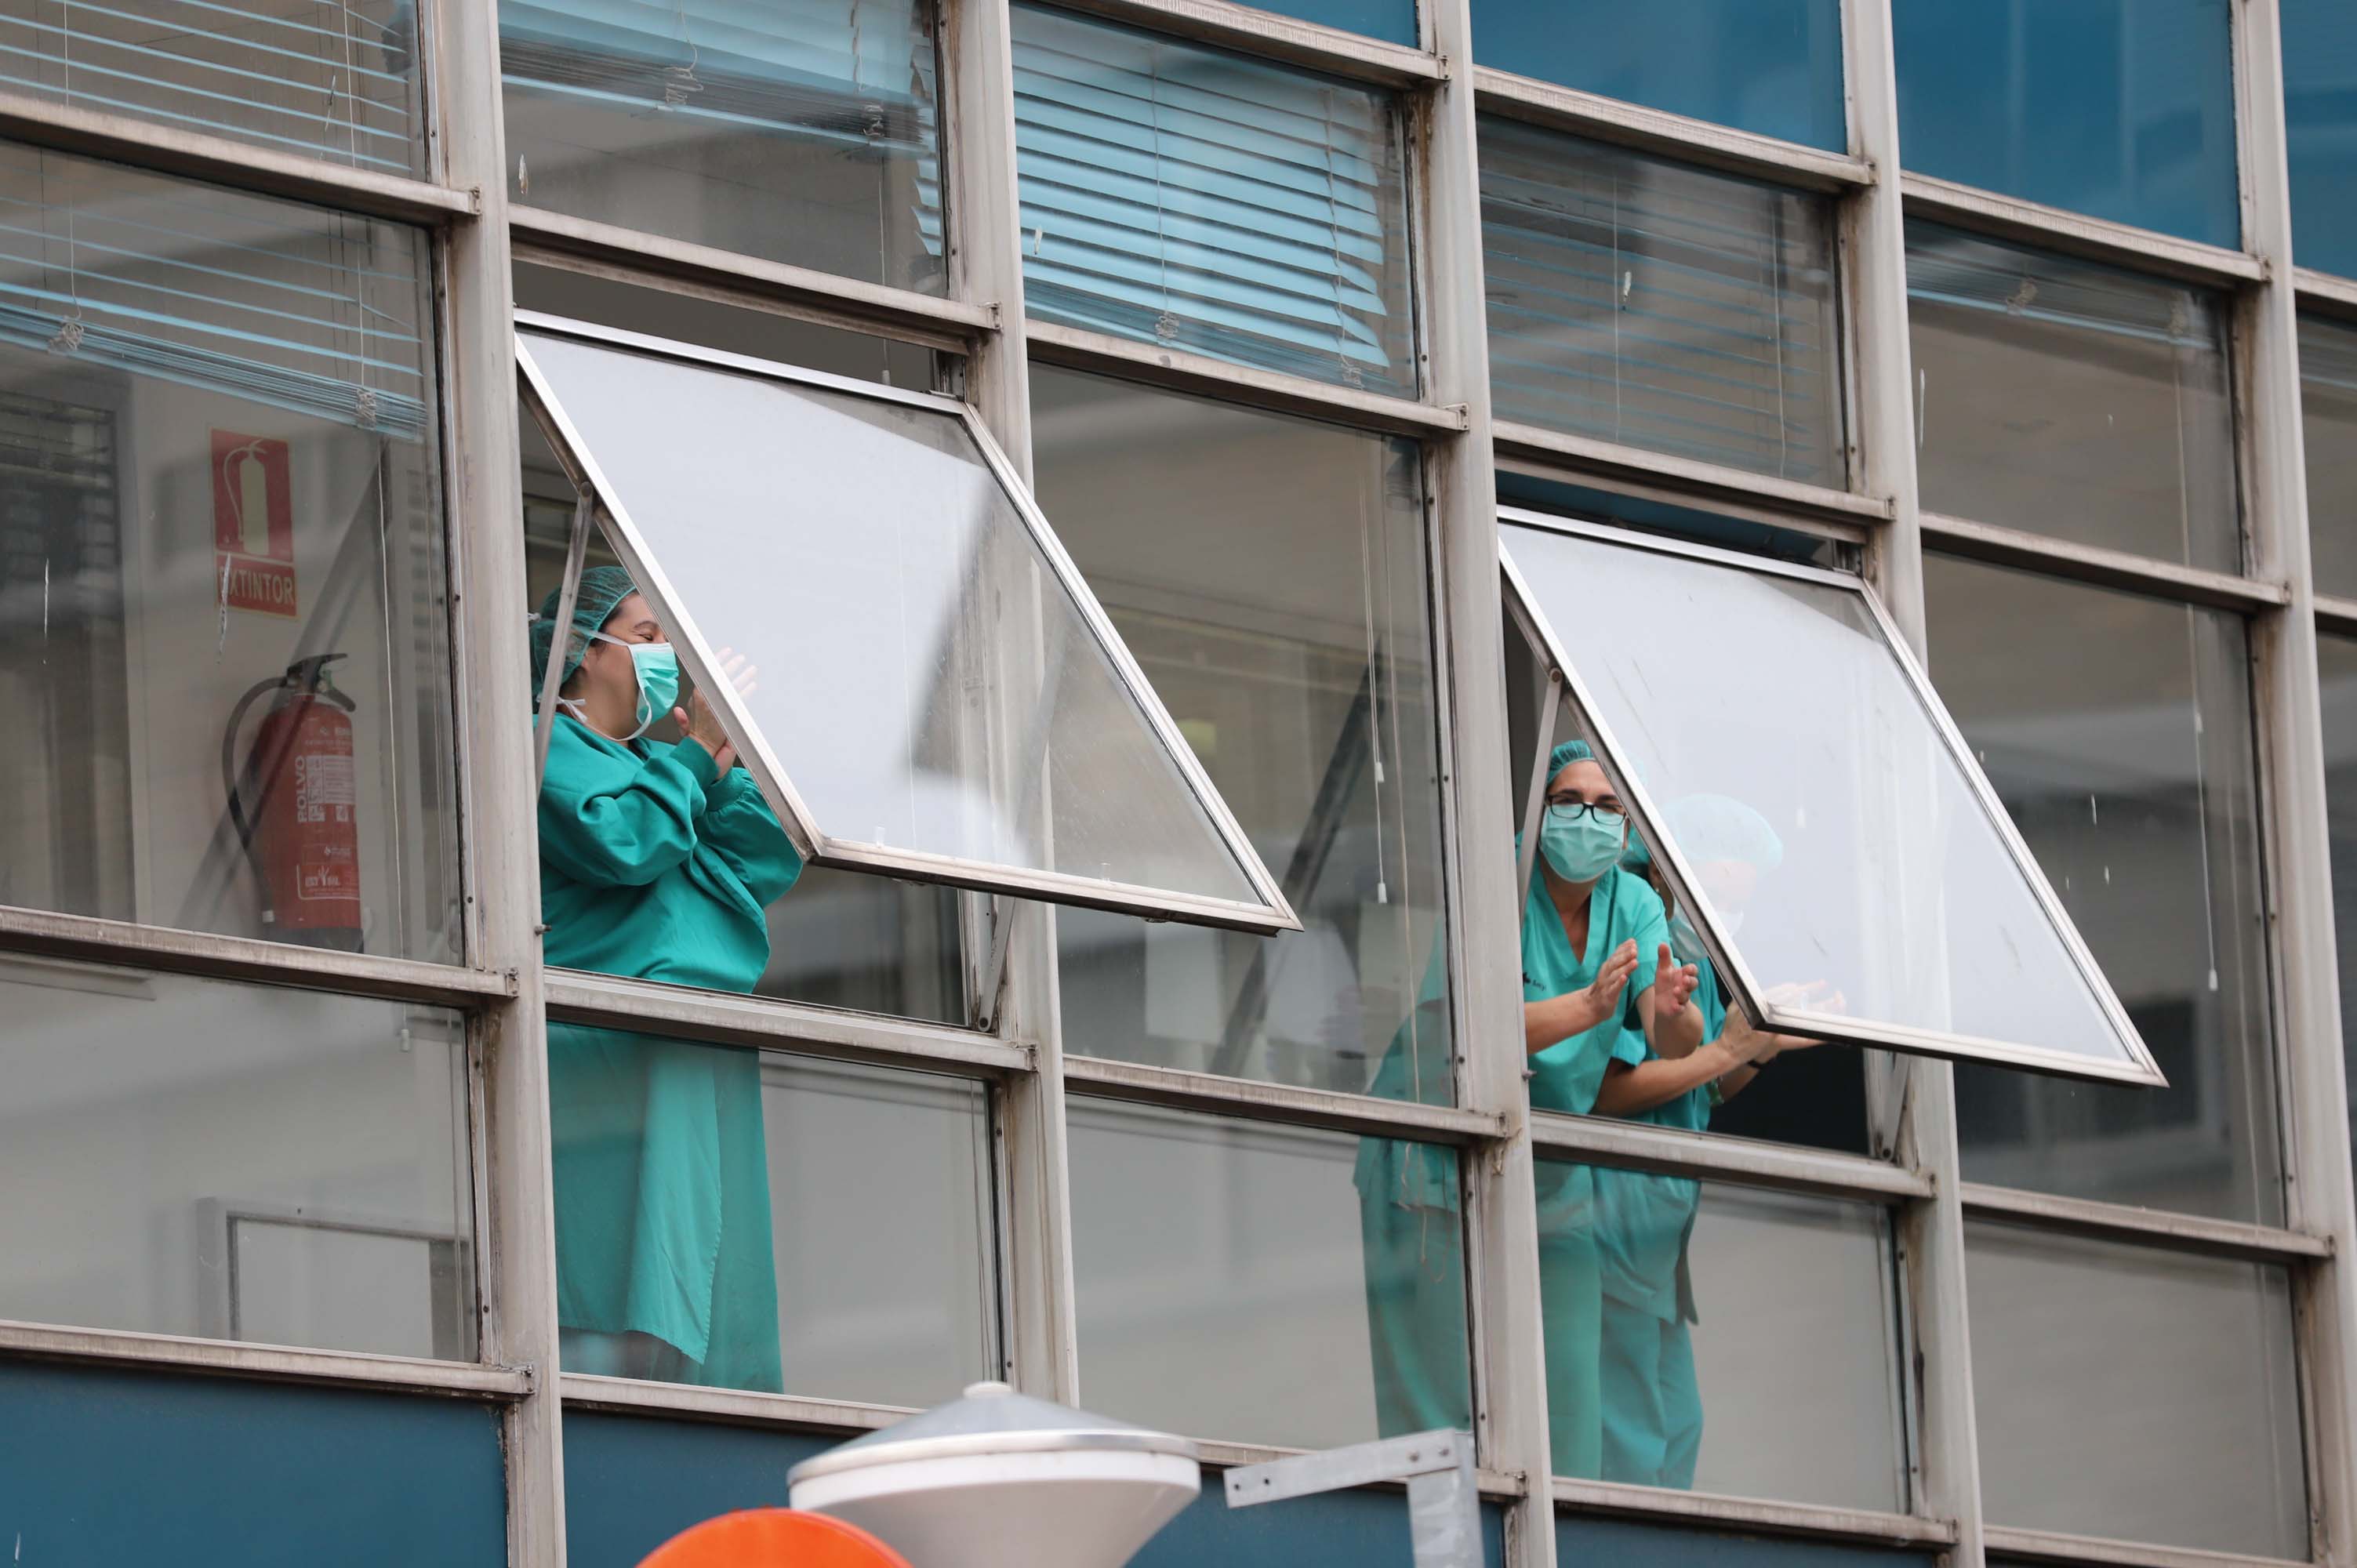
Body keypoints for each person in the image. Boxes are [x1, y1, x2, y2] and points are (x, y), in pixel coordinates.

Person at [1354, 739, 1701, 1479]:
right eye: (1570, 801)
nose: (1590, 819)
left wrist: (1673, 1011)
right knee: (1451, 1400)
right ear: (1540, 811)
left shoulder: (1633, 901)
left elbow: (1671, 1035)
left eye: (1609, 808)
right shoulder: (1497, 881)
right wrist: (1589, 1004)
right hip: (1437, 1159)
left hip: (1548, 1170)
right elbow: (1482, 1026)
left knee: (1572, 1391)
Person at [530, 565, 804, 1391]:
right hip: (609, 1059)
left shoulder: (663, 765)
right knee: (624, 1273)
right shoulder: (549, 747)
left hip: (698, 1049)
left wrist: (718, 760)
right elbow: (624, 843)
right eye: (646, 638)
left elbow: (761, 858)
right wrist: (688, 763)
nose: (664, 658)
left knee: (711, 1268)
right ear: (581, 651)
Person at [1589, 793, 1815, 1490]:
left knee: (1678, 1426)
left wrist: (1757, 1053)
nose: (1728, 907)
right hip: (1612, 1216)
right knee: (1630, 1443)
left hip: (1658, 1229)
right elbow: (1609, 1089)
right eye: (1717, 884)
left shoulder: (1703, 960)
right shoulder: (1631, 945)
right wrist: (1725, 1055)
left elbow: (1700, 1089)